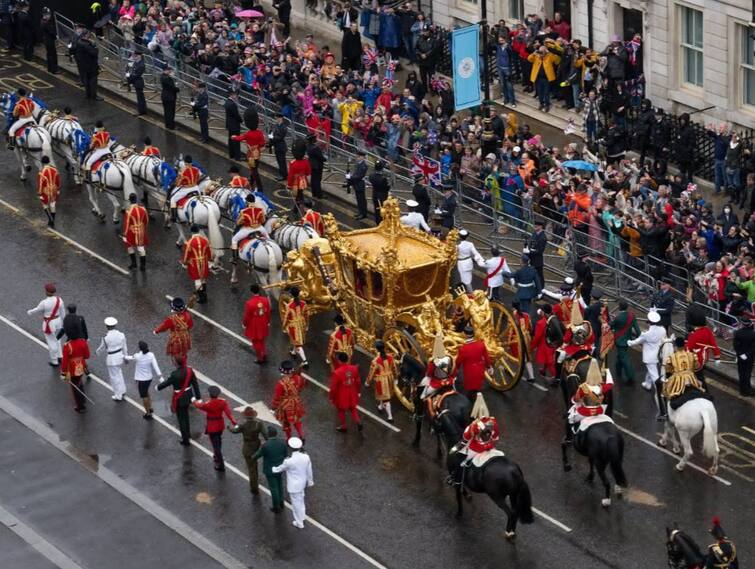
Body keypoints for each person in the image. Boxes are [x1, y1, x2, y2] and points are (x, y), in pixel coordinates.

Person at [157, 356, 201, 446]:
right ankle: (187, 434)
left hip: (179, 398)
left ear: (176, 363)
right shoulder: (190, 371)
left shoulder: (174, 374)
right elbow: (195, 384)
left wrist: (158, 387)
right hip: (188, 396)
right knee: (186, 416)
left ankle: (185, 440)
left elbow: (166, 383)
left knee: (181, 419)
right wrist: (198, 398)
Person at [272, 437, 314, 529]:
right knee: (301, 500)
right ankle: (302, 517)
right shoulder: (306, 456)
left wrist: (273, 469)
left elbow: (280, 469)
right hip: (302, 483)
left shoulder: (289, 461)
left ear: (290, 448)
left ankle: (299, 523)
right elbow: (309, 470)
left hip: (293, 486)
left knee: (296, 504)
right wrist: (310, 481)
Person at [194, 385, 236, 471]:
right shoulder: (222, 402)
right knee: (218, 440)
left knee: (215, 445)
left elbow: (199, 405)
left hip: (212, 427)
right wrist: (234, 422)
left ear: (210, 395)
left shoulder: (208, 404)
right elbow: (228, 413)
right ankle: (217, 456)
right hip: (220, 425)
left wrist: (194, 400)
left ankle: (220, 463)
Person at [230, 407, 266, 494]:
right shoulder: (259, 424)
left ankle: (254, 488)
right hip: (257, 447)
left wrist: (229, 428)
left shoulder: (243, 425)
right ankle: (255, 481)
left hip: (247, 449)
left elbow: (234, 431)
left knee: (251, 469)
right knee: (255, 466)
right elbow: (266, 435)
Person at [27, 283, 64, 366]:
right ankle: (60, 356)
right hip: (58, 321)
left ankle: (54, 361)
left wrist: (30, 312)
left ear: (47, 292)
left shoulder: (44, 302)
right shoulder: (59, 300)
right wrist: (63, 322)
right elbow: (62, 311)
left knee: (51, 342)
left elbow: (37, 309)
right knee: (57, 340)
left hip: (49, 323)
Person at [627, 311, 665, 391]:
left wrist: (628, 342)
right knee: (651, 370)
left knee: (654, 375)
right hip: (658, 354)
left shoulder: (646, 334)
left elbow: (635, 342)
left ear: (649, 323)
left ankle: (660, 390)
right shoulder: (662, 330)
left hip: (649, 356)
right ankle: (647, 384)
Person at [124, 341, 162, 420]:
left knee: (144, 396)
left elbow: (129, 357)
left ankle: (148, 413)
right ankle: (150, 407)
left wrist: (122, 356)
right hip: (149, 378)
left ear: (139, 348)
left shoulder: (137, 356)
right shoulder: (151, 355)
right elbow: (156, 366)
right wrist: (160, 376)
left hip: (141, 380)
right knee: (146, 392)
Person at [253, 426, 288, 511]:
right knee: (279, 485)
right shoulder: (282, 443)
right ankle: (281, 503)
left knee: (273, 488)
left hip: (270, 469)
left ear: (268, 435)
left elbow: (257, 455)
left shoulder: (266, 445)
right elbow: (285, 455)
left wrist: (252, 456)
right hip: (280, 468)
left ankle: (276, 507)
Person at [685, 306, 721, 386]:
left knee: (697, 378)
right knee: (699, 376)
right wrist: (717, 357)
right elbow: (714, 345)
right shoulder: (707, 330)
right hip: (704, 358)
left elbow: (688, 349)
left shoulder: (693, 335)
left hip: (695, 361)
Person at [454, 325, 492, 399]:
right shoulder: (481, 344)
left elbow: (458, 361)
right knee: (478, 385)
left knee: (470, 388)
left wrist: (456, 369)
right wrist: (489, 366)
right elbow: (486, 357)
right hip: (479, 368)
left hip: (469, 371)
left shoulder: (463, 349)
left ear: (464, 334)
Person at [271, 360, 306, 439]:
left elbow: (277, 397)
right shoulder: (299, 378)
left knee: (286, 422)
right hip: (296, 401)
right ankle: (301, 435)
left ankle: (289, 438)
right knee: (297, 420)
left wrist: (273, 407)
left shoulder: (281, 383)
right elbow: (302, 386)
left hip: (285, 404)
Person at [232, 110, 266, 192]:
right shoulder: (260, 133)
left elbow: (240, 138)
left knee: (254, 171)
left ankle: (259, 187)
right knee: (254, 169)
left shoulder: (248, 133)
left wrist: (233, 137)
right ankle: (251, 182)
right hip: (257, 153)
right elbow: (262, 143)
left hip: (250, 155)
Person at [96, 317, 127, 401]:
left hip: (112, 359)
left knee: (114, 377)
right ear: (115, 325)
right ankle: (123, 390)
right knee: (119, 374)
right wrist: (126, 356)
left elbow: (102, 348)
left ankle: (118, 395)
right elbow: (124, 347)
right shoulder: (121, 334)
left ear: (106, 326)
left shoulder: (106, 337)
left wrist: (97, 352)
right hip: (120, 356)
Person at [365, 340, 397, 422]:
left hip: (382, 381)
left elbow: (371, 373)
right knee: (384, 395)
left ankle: (390, 417)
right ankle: (380, 406)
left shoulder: (375, 361)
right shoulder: (390, 357)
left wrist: (367, 382)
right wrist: (396, 378)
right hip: (390, 378)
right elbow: (394, 369)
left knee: (385, 398)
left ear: (377, 349)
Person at [610, 300, 640, 385]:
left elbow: (611, 325)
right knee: (620, 356)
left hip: (619, 340)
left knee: (625, 359)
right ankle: (618, 371)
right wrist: (638, 340)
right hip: (628, 340)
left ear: (619, 307)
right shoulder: (632, 316)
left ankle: (631, 377)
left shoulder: (618, 317)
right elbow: (637, 330)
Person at [230, 194, 266, 261]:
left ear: (247, 201)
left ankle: (234, 258)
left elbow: (238, 222)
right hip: (260, 229)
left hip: (247, 230)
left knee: (234, 240)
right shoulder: (260, 210)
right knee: (269, 239)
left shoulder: (243, 211)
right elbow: (263, 221)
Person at [181, 225, 211, 304]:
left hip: (194, 264)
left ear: (192, 232)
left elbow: (186, 254)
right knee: (203, 279)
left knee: (197, 280)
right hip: (204, 262)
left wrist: (184, 262)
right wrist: (209, 259)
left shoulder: (190, 242)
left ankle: (202, 297)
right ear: (198, 231)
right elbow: (209, 252)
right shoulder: (205, 240)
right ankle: (204, 294)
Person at [242, 284, 271, 364]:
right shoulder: (265, 300)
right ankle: (264, 353)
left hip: (254, 324)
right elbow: (268, 312)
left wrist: (244, 324)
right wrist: (268, 321)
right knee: (262, 340)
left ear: (251, 291)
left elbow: (247, 316)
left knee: (255, 342)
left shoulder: (249, 303)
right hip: (263, 321)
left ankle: (260, 358)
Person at [60, 336, 90, 413]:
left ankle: (80, 406)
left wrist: (63, 373)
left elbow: (65, 361)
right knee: (80, 383)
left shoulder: (67, 345)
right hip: (81, 366)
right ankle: (83, 400)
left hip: (73, 369)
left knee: (75, 387)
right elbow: (87, 355)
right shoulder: (83, 341)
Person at [282, 286, 309, 366]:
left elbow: (286, 318)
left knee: (298, 344)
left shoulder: (289, 306)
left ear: (291, 295)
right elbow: (307, 315)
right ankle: (293, 352)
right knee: (296, 340)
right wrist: (307, 325)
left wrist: (283, 326)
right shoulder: (304, 303)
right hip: (302, 324)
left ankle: (305, 361)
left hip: (294, 326)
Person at [531, 304, 558, 380]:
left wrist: (532, 347)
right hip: (554, 342)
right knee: (548, 359)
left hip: (545, 344)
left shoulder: (540, 323)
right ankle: (543, 370)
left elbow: (537, 337)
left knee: (550, 361)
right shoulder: (554, 318)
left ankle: (555, 377)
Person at [123, 193, 148, 271]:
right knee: (141, 248)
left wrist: (125, 233)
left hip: (132, 232)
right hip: (141, 230)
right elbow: (146, 220)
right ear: (136, 199)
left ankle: (134, 264)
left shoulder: (128, 211)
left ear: (130, 200)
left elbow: (127, 224)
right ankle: (143, 266)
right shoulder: (143, 209)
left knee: (129, 247)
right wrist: (143, 228)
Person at [287, 139, 312, 213]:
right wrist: (308, 182)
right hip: (303, 181)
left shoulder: (292, 163)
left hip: (295, 182)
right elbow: (308, 173)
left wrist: (289, 185)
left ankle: (300, 209)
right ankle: (296, 208)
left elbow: (290, 176)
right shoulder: (306, 161)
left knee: (299, 196)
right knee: (300, 194)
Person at [733, 316, 755, 396]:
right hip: (750, 358)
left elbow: (736, 346)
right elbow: (753, 347)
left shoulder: (737, 333)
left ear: (742, 324)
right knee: (748, 373)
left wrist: (741, 354)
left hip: (740, 357)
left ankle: (743, 390)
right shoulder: (753, 334)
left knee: (741, 374)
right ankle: (747, 389)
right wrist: (747, 355)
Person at [36, 156, 60, 228]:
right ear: (49, 161)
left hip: (46, 191)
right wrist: (58, 189)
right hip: (54, 189)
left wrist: (39, 193)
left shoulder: (41, 173)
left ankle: (50, 219)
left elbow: (40, 184)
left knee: (45, 204)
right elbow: (58, 181)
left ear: (42, 162)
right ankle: (53, 219)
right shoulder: (55, 170)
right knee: (53, 205)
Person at [78, 31, 100, 100]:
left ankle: (88, 94)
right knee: (93, 81)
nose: (89, 37)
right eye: (88, 36)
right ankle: (93, 96)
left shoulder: (79, 42)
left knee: (86, 81)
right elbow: (95, 53)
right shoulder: (87, 45)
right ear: (85, 36)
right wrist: (94, 45)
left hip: (84, 65)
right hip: (91, 66)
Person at [347, 149, 368, 220]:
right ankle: (360, 212)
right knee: (359, 199)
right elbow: (356, 173)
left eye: (359, 156)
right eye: (357, 156)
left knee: (362, 200)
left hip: (360, 184)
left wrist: (351, 177)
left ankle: (363, 213)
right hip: (356, 183)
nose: (357, 157)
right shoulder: (358, 164)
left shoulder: (363, 165)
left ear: (362, 157)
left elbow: (359, 176)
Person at [369, 160, 391, 224]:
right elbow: (387, 188)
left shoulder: (371, 175)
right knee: (383, 211)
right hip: (382, 196)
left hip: (375, 195)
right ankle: (382, 224)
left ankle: (377, 223)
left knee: (377, 210)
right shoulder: (383, 178)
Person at [306, 133, 326, 199]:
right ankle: (319, 194)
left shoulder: (308, 146)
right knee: (317, 180)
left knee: (313, 179)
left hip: (311, 165)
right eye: (314, 138)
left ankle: (314, 193)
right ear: (312, 140)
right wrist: (324, 159)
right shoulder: (315, 148)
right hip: (317, 165)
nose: (316, 139)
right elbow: (320, 157)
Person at [127, 50, 147, 116]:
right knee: (140, 97)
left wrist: (130, 79)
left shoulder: (141, 64)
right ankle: (142, 110)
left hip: (139, 82)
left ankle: (141, 111)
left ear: (139, 56)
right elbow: (132, 71)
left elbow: (137, 75)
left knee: (140, 97)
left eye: (135, 56)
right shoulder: (136, 63)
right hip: (136, 81)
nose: (134, 57)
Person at [224, 90, 243, 161]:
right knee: (236, 141)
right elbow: (236, 115)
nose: (236, 96)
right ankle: (237, 157)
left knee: (231, 140)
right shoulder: (232, 104)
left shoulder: (227, 102)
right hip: (234, 125)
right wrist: (241, 120)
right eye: (235, 95)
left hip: (229, 125)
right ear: (232, 95)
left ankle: (231, 154)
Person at [269, 113, 288, 181]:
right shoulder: (275, 125)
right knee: (279, 161)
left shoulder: (284, 127)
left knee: (282, 161)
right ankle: (281, 174)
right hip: (276, 146)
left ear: (281, 118)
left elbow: (280, 137)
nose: (276, 119)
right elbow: (272, 132)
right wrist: (270, 134)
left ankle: (283, 175)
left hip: (281, 146)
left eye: (277, 118)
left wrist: (273, 137)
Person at [160, 65, 179, 130]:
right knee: (171, 112)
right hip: (169, 97)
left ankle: (168, 124)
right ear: (165, 70)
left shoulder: (164, 76)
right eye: (169, 70)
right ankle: (171, 126)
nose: (170, 71)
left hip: (165, 97)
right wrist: (177, 89)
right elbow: (172, 87)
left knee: (167, 111)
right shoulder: (166, 78)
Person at [41, 8, 58, 73]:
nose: (49, 16)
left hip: (47, 40)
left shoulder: (43, 21)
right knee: (52, 55)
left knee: (49, 55)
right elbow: (51, 32)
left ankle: (50, 68)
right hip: (49, 41)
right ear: (45, 15)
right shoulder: (46, 23)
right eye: (48, 14)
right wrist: (56, 36)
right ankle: (54, 69)